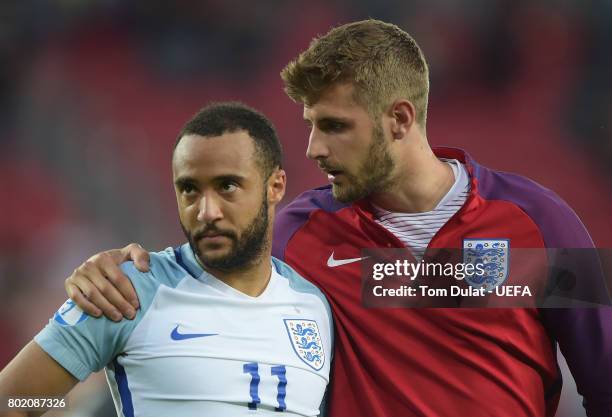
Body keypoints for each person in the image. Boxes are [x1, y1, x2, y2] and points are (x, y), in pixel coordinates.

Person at [63, 20, 611, 417]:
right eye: (309, 124)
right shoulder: (296, 234)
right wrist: (116, 269)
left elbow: (605, 382)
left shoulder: (539, 220)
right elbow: (163, 327)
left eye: (333, 126)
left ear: (399, 119)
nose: (312, 148)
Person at [0, 103, 333, 417]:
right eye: (189, 189)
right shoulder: (126, 291)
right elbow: (13, 400)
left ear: (275, 186)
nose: (206, 212)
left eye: (227, 186)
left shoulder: (314, 305)